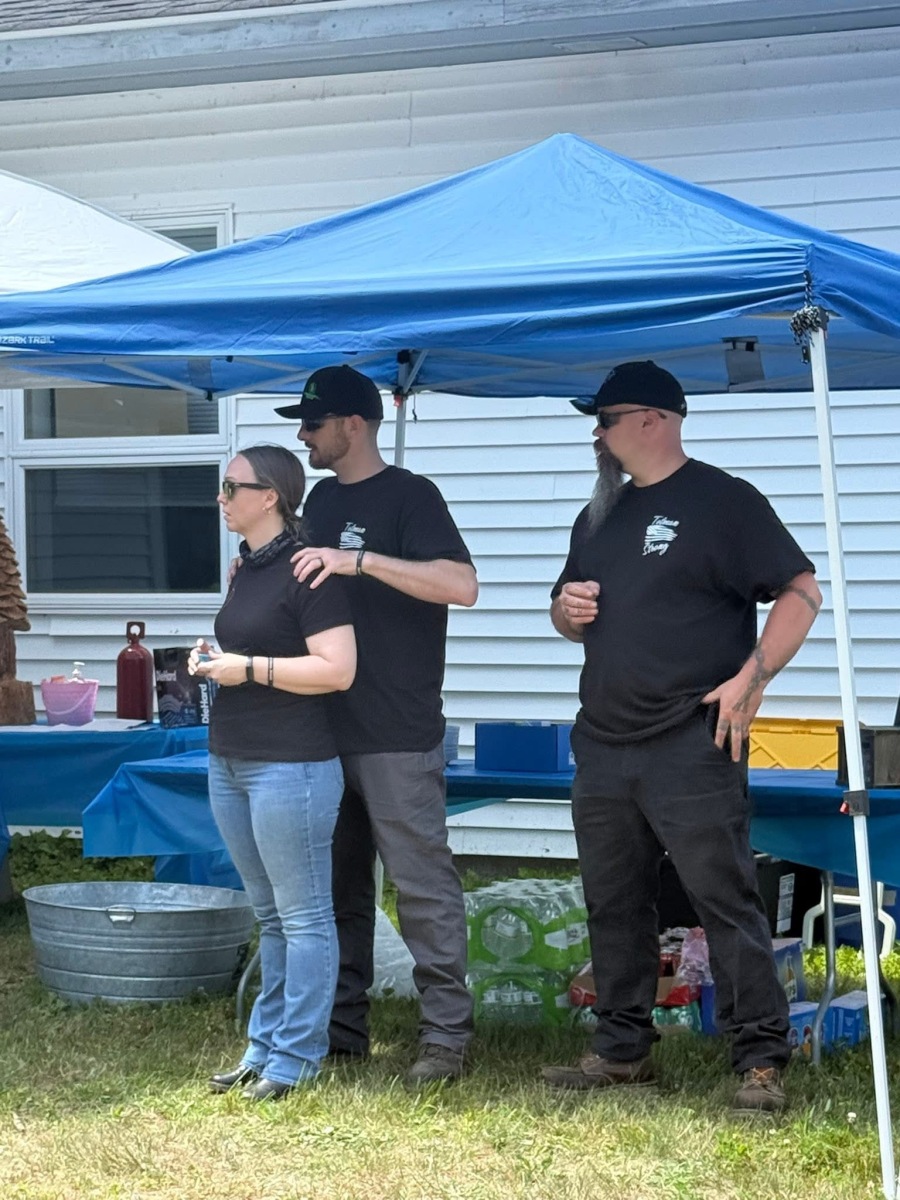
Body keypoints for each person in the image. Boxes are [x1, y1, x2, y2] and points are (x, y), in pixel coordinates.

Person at [541, 360, 822, 1115]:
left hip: (691, 737)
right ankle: (621, 1049)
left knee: (722, 900)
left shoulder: (724, 502)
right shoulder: (598, 515)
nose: (596, 435)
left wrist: (753, 678)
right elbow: (566, 614)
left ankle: (759, 1058)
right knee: (613, 901)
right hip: (603, 740)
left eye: (605, 420)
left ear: (652, 420)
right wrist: (566, 610)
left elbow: (801, 592)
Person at [275, 365, 478, 1085]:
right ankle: (341, 1031)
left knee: (422, 889)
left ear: (352, 425)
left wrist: (357, 561)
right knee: (337, 892)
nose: (303, 436)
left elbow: (462, 585)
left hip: (397, 731)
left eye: (313, 423)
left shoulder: (411, 496)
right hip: (321, 732)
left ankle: (446, 1038)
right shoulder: (320, 500)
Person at [193, 444, 356, 1101]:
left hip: (293, 766)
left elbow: (337, 669)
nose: (221, 497)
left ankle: (296, 1059)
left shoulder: (309, 570)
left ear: (270, 497)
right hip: (231, 758)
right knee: (272, 917)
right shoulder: (245, 567)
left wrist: (248, 668)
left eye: (232, 487)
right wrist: (217, 659)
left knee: (304, 916)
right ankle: (263, 1049)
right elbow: (258, 646)